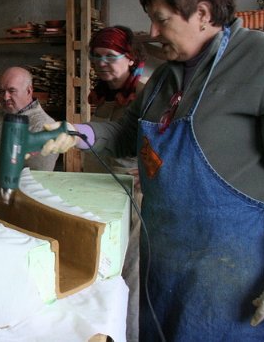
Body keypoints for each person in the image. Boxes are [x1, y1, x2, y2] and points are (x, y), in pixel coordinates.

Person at [42, 0, 264, 340]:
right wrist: (77, 132)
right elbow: (124, 134)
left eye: (161, 19)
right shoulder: (164, 78)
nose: (153, 31)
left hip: (233, 275)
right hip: (163, 265)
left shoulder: (257, 61)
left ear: (202, 13)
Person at [85, 26, 146, 342]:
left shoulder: (146, 95)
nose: (102, 63)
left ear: (130, 57)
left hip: (132, 200)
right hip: (101, 194)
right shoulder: (104, 96)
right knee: (101, 273)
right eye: (96, 57)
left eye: (110, 56)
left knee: (129, 277)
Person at [0, 66, 60, 200]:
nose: (5, 97)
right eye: (1, 91)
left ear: (29, 91)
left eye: (12, 91)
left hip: (1, 206)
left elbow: (36, 183)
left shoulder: (43, 127)